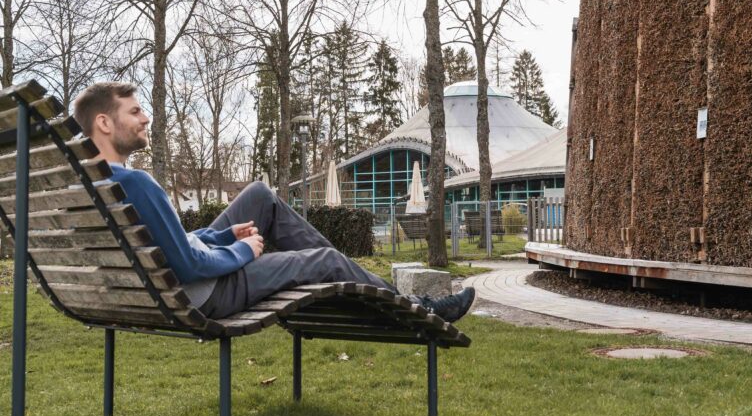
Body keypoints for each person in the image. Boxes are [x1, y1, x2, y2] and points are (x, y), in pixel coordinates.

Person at [71, 82, 475, 322]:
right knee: (327, 261)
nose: (146, 119)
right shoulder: (136, 184)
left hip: (174, 285)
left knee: (260, 197)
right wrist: (241, 250)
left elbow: (171, 244)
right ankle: (418, 308)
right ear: (104, 123)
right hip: (207, 292)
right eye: (135, 111)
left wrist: (220, 234)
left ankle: (349, 285)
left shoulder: (97, 187)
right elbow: (189, 264)